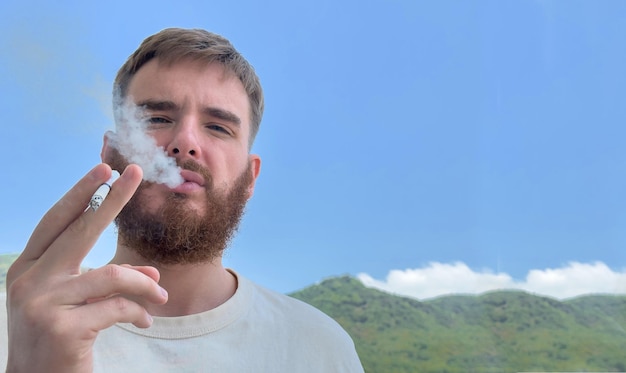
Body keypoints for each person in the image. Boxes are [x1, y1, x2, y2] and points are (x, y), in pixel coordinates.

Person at [4, 28, 364, 372]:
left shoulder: (318, 347)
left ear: (250, 176)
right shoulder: (18, 327)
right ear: (110, 153)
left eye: (218, 127)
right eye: (157, 118)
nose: (185, 141)